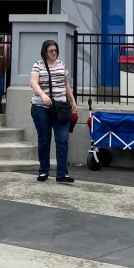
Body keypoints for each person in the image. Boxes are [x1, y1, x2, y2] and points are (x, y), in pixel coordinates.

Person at [30, 39, 78, 183]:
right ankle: (43, 170)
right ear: (45, 52)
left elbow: (66, 84)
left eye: (56, 50)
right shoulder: (38, 65)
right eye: (51, 51)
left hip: (61, 107)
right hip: (41, 107)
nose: (54, 53)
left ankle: (62, 173)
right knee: (44, 140)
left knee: (62, 140)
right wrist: (43, 95)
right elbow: (33, 82)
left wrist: (73, 101)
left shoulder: (61, 64)